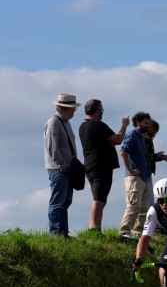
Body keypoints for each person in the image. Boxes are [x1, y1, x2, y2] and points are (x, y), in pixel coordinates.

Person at [79, 99, 129, 231]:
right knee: (99, 200)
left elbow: (106, 142)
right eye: (101, 110)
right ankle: (94, 228)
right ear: (97, 111)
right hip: (101, 167)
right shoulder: (98, 125)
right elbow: (117, 139)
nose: (102, 113)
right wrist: (124, 125)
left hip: (90, 166)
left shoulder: (83, 126)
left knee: (98, 198)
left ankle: (94, 228)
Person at [44, 93, 80, 237]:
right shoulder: (54, 122)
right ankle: (56, 233)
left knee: (65, 201)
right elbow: (52, 147)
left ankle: (62, 232)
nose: (74, 111)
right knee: (58, 202)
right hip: (59, 169)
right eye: (73, 108)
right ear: (66, 108)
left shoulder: (63, 121)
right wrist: (62, 165)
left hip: (65, 168)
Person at [118, 112, 154, 239]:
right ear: (138, 123)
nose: (148, 125)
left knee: (144, 208)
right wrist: (130, 170)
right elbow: (123, 152)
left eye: (148, 123)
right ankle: (124, 232)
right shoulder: (132, 134)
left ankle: (138, 233)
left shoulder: (142, 137)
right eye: (145, 122)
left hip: (143, 176)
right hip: (134, 177)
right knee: (133, 206)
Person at [143, 120, 167, 205]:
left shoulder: (149, 140)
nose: (154, 134)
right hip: (141, 174)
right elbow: (142, 157)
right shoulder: (142, 140)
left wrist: (161, 157)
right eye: (153, 131)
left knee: (149, 203)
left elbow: (149, 157)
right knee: (143, 204)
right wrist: (157, 156)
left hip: (147, 174)